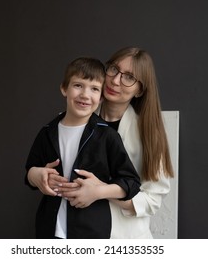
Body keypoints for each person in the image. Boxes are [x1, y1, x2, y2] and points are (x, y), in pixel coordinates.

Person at [53, 47, 175, 238]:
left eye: (129, 77)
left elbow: (152, 199)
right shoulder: (71, 118)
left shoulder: (150, 133)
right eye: (114, 69)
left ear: (139, 89)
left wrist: (101, 192)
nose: (116, 80)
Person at [25, 56, 141, 239]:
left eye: (94, 89)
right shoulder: (47, 132)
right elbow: (29, 172)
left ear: (101, 97)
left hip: (90, 232)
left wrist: (98, 192)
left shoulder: (107, 136)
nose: (85, 95)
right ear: (64, 88)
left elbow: (131, 183)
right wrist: (37, 175)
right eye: (78, 85)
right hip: (48, 229)